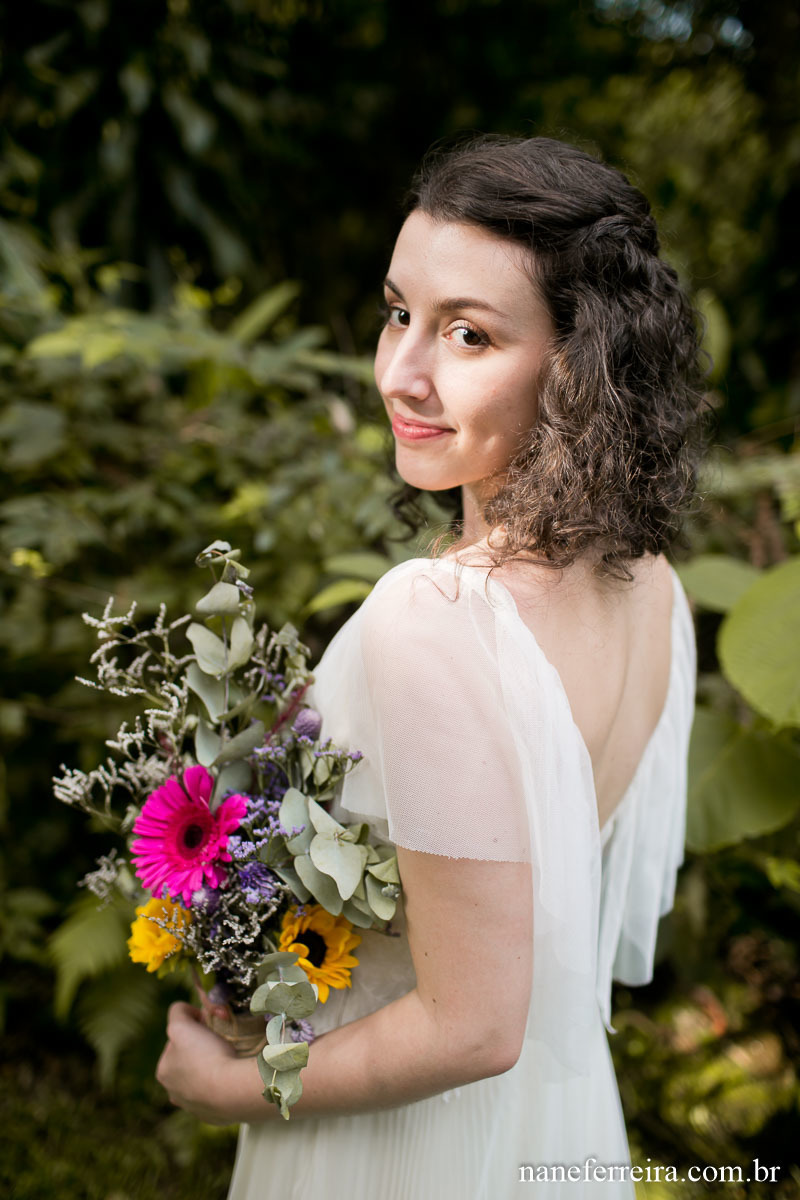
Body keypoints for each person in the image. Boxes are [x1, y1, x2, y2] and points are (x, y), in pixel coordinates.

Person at [156, 135, 705, 1197]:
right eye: (398, 311)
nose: (400, 371)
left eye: (466, 333)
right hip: (556, 1125)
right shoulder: (653, 590)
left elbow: (471, 1027)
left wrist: (223, 1086)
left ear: (577, 363)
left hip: (408, 1147)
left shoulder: (432, 614)